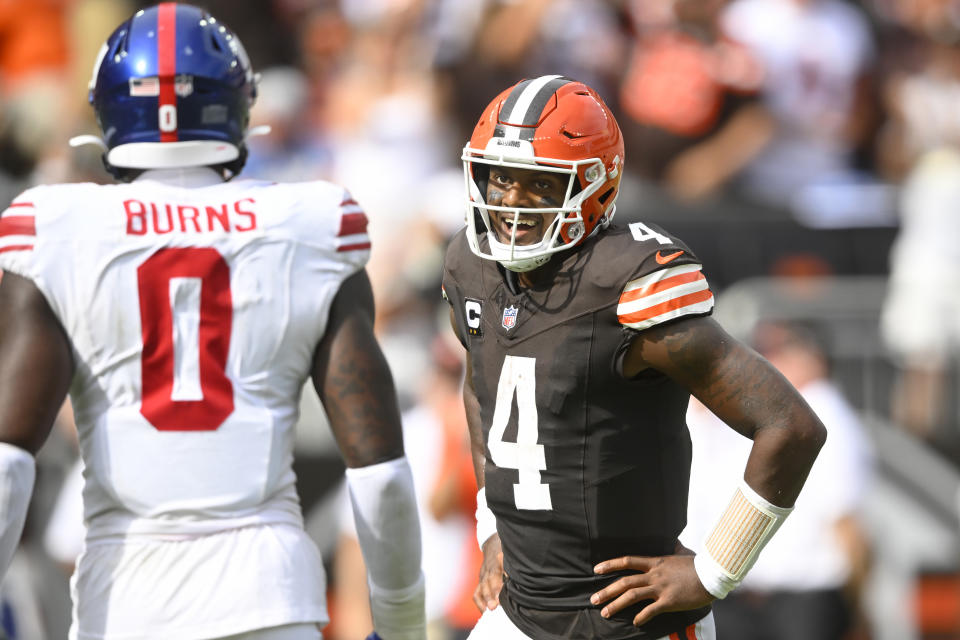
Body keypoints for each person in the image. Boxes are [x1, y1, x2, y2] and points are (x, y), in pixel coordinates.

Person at [0, 4, 425, 640]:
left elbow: (7, 465)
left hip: (128, 606)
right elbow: (382, 476)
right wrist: (402, 628)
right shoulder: (310, 225)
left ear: (108, 109)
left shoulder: (59, 231)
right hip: (270, 600)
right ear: (236, 103)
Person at [441, 75, 828, 640]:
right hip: (519, 612)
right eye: (501, 178)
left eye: (540, 184)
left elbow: (791, 426)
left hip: (626, 623)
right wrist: (491, 526)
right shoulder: (470, 266)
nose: (513, 204)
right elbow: (483, 387)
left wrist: (716, 570)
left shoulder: (628, 283)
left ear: (595, 185)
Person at [684, 320, 874, 640]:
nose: (768, 359)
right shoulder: (775, 413)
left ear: (814, 358)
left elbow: (847, 528)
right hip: (752, 602)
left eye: (781, 350)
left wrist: (858, 609)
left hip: (802, 603)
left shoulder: (823, 409)